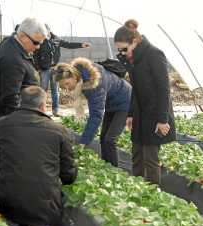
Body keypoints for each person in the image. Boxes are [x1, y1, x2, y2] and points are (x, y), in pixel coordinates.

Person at [0, 86, 78, 226]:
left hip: (5, 200)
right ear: (43, 105)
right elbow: (68, 176)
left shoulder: (2, 124)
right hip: (44, 208)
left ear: (20, 103)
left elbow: (1, 162)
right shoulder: (57, 130)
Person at [113, 19, 176, 185]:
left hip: (155, 113)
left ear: (135, 41)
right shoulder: (134, 58)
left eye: (124, 49)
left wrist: (163, 119)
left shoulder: (154, 54)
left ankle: (153, 198)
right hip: (140, 113)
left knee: (150, 160)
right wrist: (131, 114)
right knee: (137, 157)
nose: (123, 53)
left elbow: (164, 89)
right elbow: (136, 89)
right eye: (119, 50)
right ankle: (138, 191)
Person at [53, 57, 132, 168]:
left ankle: (114, 171)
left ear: (75, 77)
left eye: (67, 83)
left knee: (110, 140)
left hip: (125, 102)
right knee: (103, 138)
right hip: (112, 103)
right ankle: (107, 168)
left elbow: (96, 115)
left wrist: (83, 142)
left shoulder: (92, 83)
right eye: (63, 86)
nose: (66, 87)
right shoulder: (83, 75)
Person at [0, 17, 47, 126]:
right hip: (10, 115)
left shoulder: (12, 43)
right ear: (23, 36)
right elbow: (11, 97)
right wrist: (19, 123)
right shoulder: (13, 59)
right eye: (36, 42)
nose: (38, 47)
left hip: (14, 112)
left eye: (40, 43)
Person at [33, 24, 91, 117]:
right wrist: (38, 68)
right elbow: (35, 55)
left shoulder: (56, 39)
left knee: (55, 89)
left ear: (49, 30)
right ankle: (41, 110)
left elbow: (68, 44)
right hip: (44, 69)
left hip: (55, 69)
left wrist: (81, 45)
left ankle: (55, 110)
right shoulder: (40, 40)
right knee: (43, 89)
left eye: (45, 29)